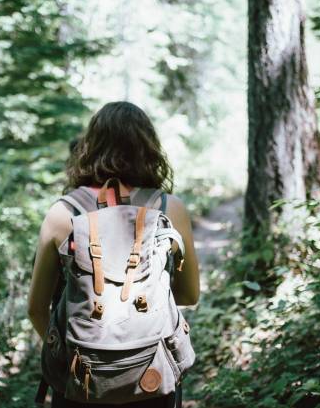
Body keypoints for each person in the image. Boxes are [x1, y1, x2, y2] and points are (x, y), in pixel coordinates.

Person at [27, 101, 200, 407]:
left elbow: (36, 309)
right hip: (152, 378)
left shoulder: (62, 213)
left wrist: (78, 353)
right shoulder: (169, 209)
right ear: (148, 148)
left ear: (89, 147)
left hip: (80, 381)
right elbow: (188, 295)